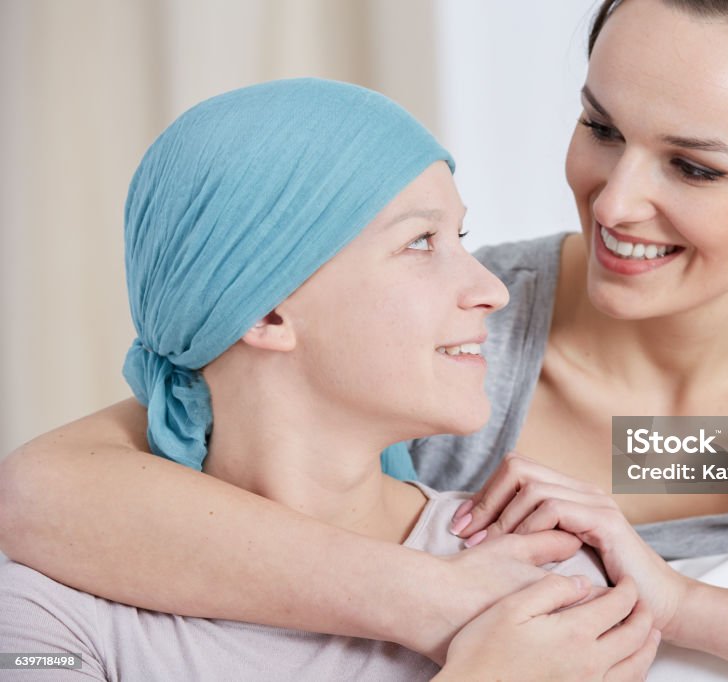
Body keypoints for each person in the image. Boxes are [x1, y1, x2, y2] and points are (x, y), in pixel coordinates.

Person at [2, 0, 728, 678]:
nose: (615, 202)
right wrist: (437, 603)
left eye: (693, 168)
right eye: (601, 127)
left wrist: (676, 602)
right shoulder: (450, 338)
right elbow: (56, 485)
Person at [0, 79, 660, 681]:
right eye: (423, 242)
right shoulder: (46, 605)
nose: (492, 289)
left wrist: (682, 592)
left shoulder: (544, 588)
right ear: (266, 308)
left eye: (460, 236)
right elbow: (34, 487)